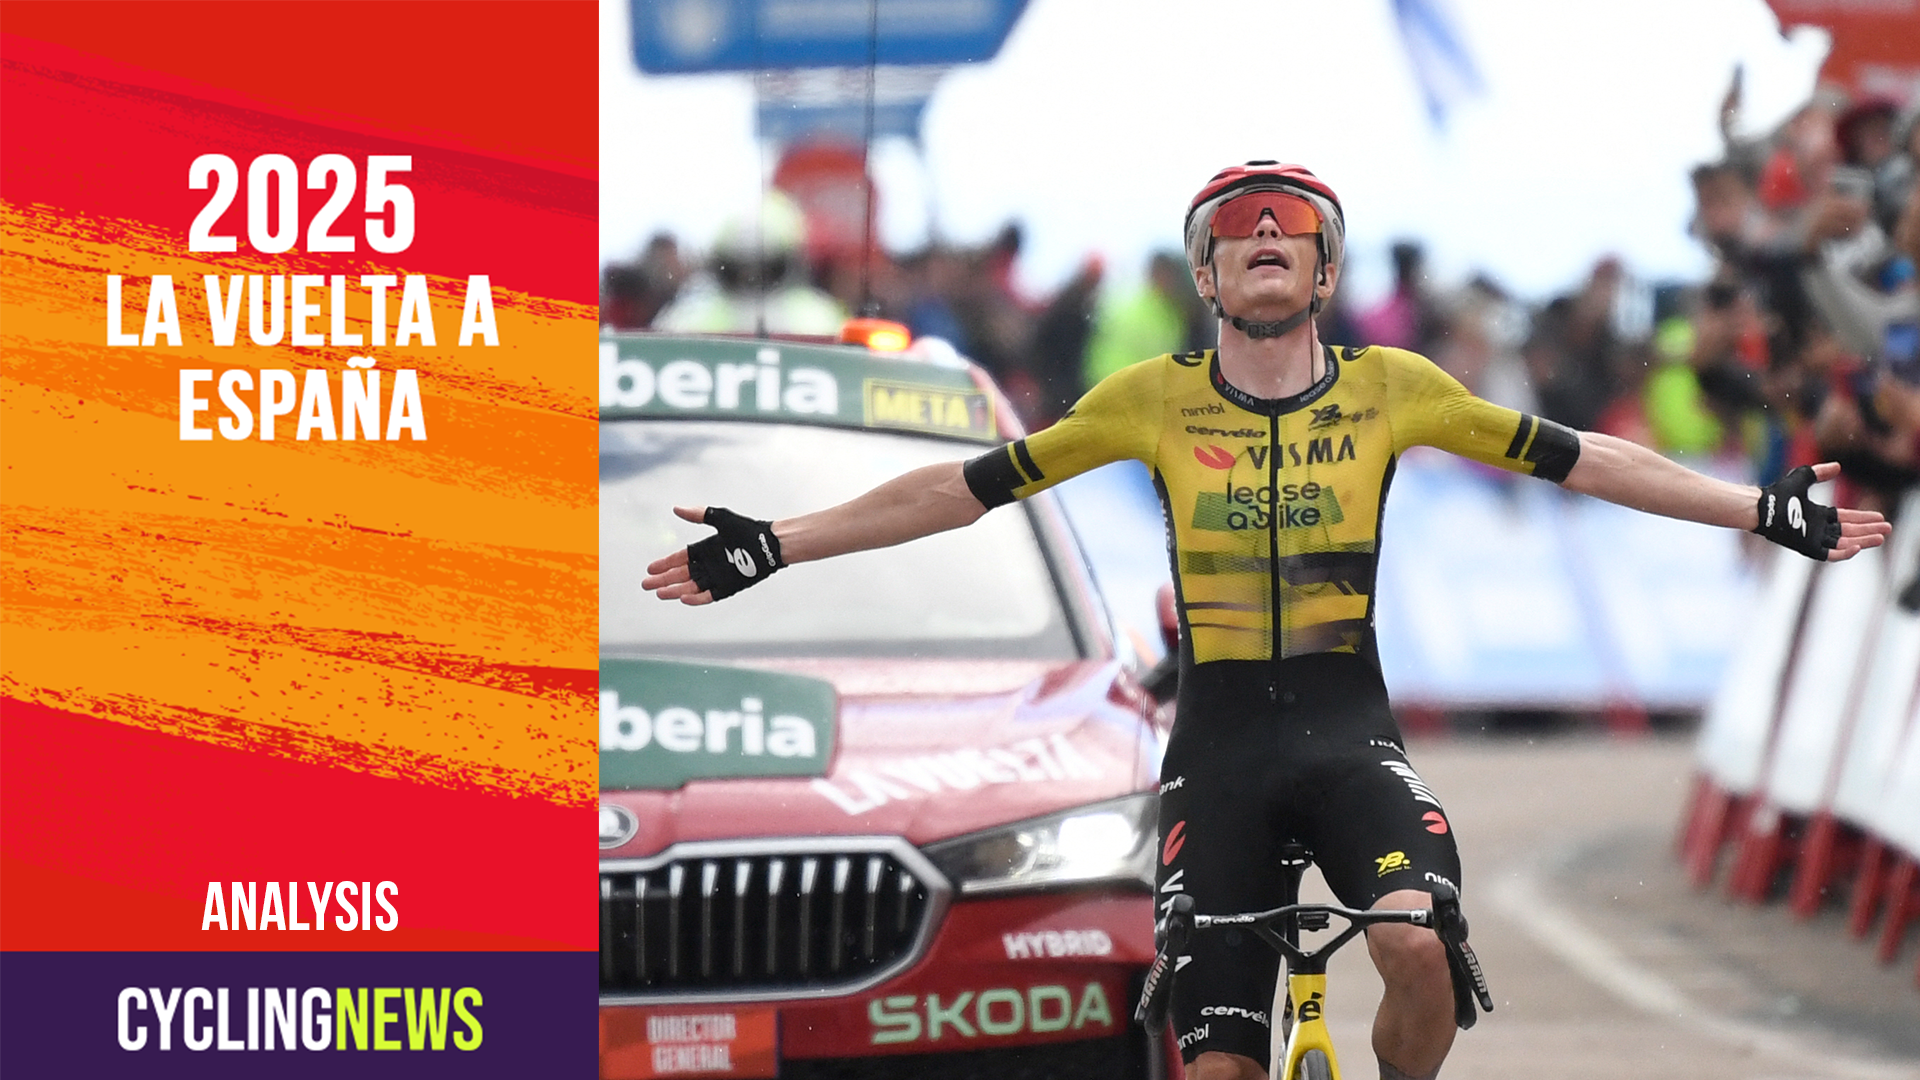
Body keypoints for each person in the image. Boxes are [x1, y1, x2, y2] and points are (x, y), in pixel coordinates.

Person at [642, 161, 1891, 1080]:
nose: (1266, 235)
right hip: (1221, 753)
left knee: (1415, 951)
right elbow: (957, 492)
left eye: (1295, 225)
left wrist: (1761, 511)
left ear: (1328, 269)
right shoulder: (1148, 400)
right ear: (1206, 274)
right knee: (1223, 1068)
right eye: (1234, 227)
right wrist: (775, 545)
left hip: (1351, 733)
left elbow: (1592, 463)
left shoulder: (1400, 391)